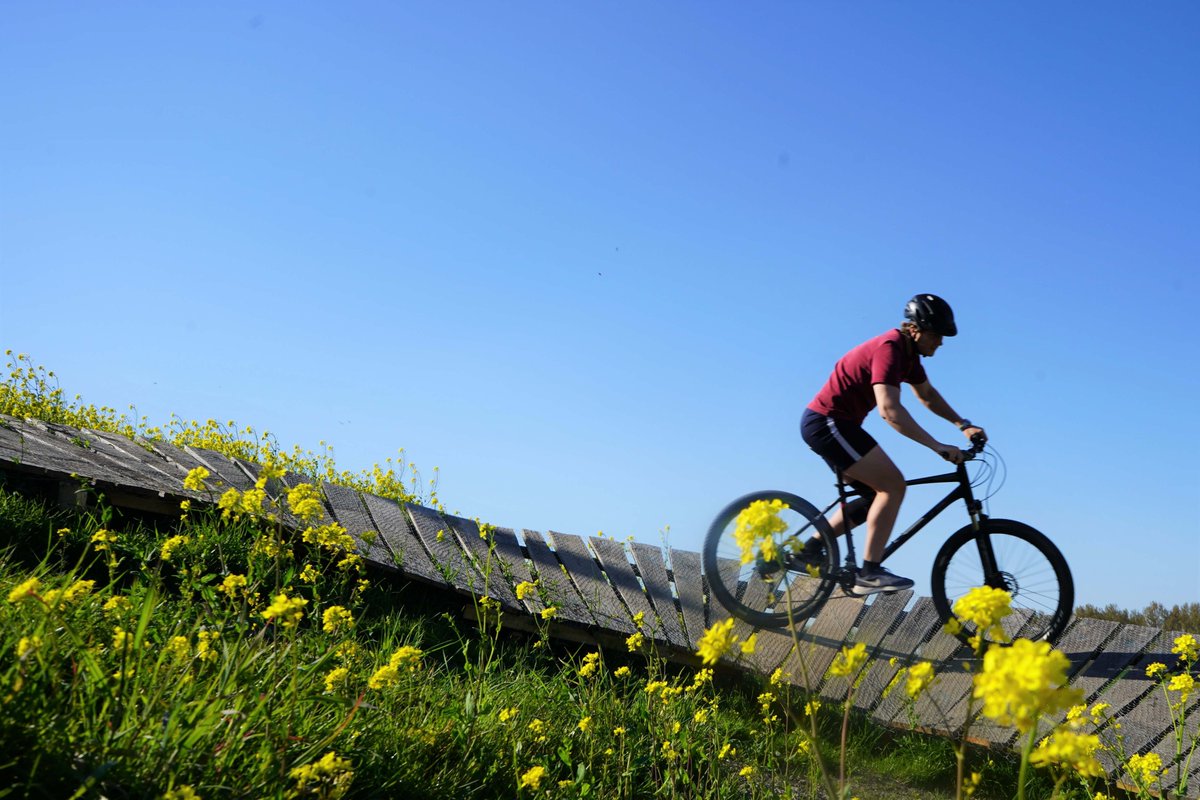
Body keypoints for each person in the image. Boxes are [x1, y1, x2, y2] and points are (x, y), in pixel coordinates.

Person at [797, 294, 986, 594]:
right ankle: (869, 572)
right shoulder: (890, 348)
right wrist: (937, 446)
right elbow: (890, 411)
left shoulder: (908, 357)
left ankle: (807, 551)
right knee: (893, 485)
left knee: (876, 496)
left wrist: (963, 425)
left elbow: (927, 396)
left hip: (835, 425)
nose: (940, 343)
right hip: (828, 423)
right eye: (936, 335)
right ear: (915, 329)